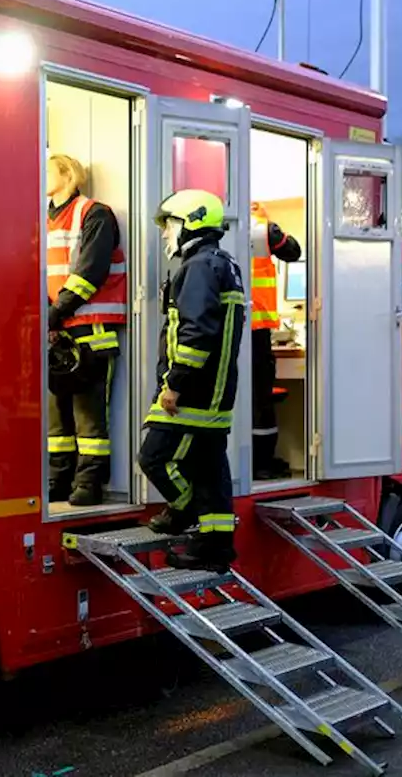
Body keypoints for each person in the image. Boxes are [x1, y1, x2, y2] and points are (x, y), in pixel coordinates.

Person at [139, 189, 245, 572]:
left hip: (194, 394)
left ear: (191, 222)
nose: (166, 233)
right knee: (209, 469)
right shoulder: (223, 264)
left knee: (153, 456)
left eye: (170, 224)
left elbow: (196, 332)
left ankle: (181, 512)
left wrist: (175, 384)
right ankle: (215, 548)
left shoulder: (199, 266)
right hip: (215, 392)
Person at [45, 154, 126, 507]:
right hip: (57, 330)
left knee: (88, 415)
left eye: (46, 170)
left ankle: (89, 483)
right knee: (56, 413)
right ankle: (58, 480)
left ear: (67, 175)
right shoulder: (40, 218)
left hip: (91, 329)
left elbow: (89, 272)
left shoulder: (94, 213)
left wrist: (54, 312)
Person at [250, 201, 302, 479]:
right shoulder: (261, 227)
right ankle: (261, 462)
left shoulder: (218, 226)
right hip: (257, 328)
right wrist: (273, 230)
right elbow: (294, 252)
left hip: (227, 325)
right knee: (260, 397)